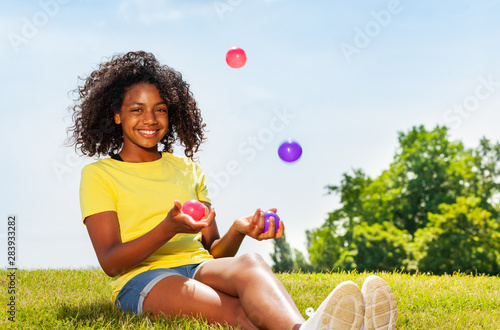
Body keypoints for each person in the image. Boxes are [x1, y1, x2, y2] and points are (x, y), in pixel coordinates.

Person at [68, 50, 397, 330]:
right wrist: (168, 228)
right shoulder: (99, 175)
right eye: (136, 109)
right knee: (241, 315)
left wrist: (239, 230)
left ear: (172, 113)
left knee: (250, 263)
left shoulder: (188, 169)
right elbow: (111, 262)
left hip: (200, 266)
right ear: (116, 115)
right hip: (143, 280)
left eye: (160, 108)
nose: (150, 118)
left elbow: (213, 252)